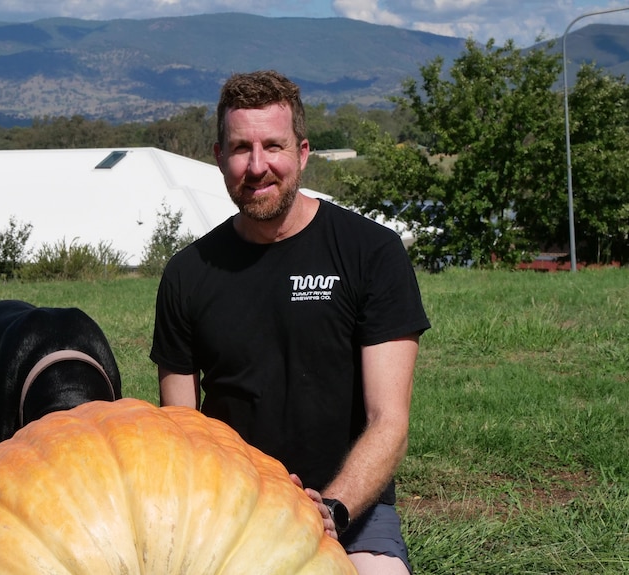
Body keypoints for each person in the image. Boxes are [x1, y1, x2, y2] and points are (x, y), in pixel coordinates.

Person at [150, 70, 430, 575]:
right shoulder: (187, 275)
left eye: (272, 146)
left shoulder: (371, 252)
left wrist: (330, 510)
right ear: (218, 157)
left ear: (303, 152)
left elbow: (389, 422)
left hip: (352, 507)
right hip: (232, 509)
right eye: (240, 149)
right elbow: (182, 432)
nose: (257, 167)